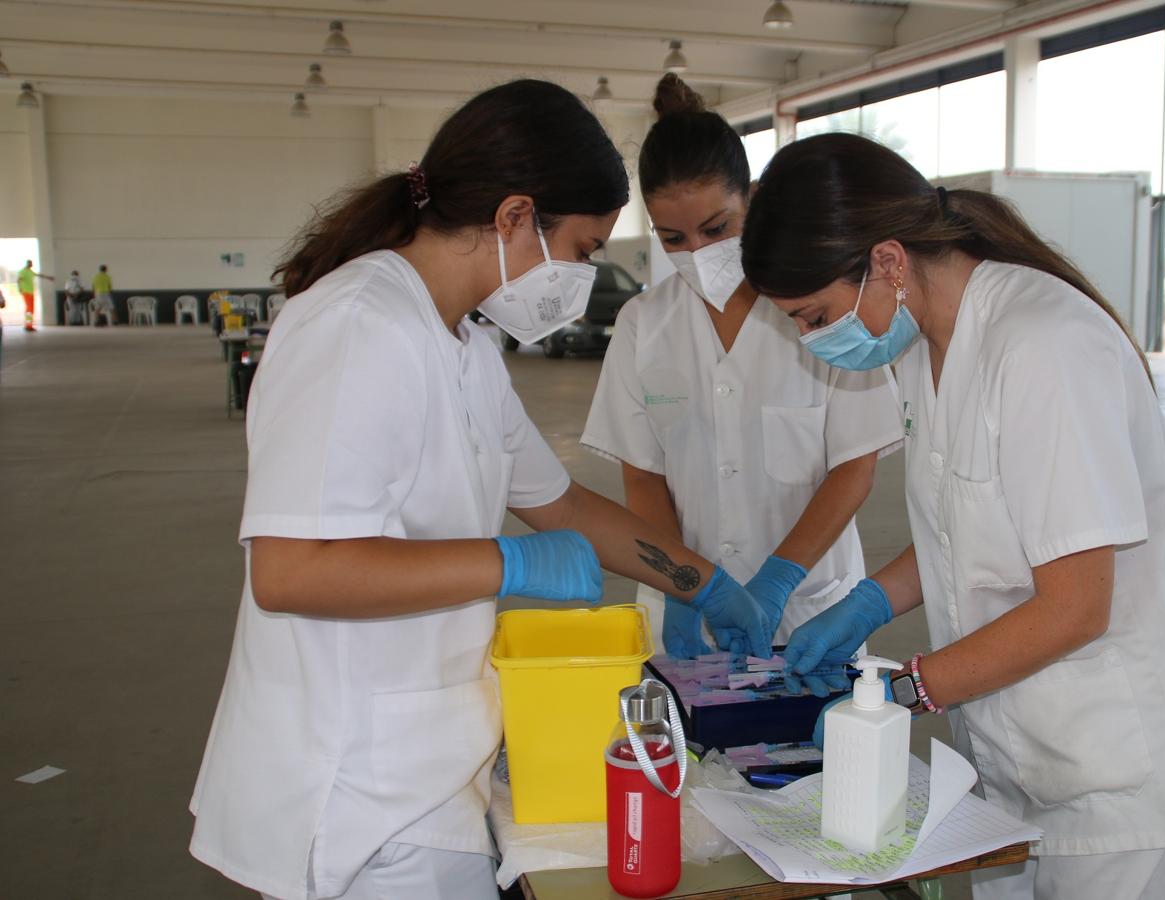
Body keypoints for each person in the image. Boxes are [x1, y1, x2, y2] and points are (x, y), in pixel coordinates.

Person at [188, 80, 772, 900]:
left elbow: (561, 506)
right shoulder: (358, 327)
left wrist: (701, 582)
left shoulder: (462, 345)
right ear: (512, 217)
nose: (580, 275)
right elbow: (290, 571)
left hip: (431, 762)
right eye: (582, 250)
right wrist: (506, 565)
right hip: (355, 785)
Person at [741, 134, 1165, 900]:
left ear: (887, 262)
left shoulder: (1045, 346)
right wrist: (868, 604)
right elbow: (970, 522)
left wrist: (899, 693)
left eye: (815, 317)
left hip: (1126, 763)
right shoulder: (919, 345)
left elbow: (1077, 606)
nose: (814, 343)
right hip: (1020, 749)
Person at [582, 76, 903, 660]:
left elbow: (854, 467)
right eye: (673, 238)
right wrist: (681, 586)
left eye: (716, 228)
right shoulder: (641, 325)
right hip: (686, 614)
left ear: (751, 200)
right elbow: (643, 475)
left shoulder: (821, 307)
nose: (698, 253)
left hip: (810, 606)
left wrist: (779, 577)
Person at [17, 259, 53, 331]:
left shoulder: (30, 271)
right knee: (29, 309)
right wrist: (20, 288)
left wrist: (48, 278)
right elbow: (19, 280)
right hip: (26, 292)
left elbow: (38, 275)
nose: (32, 265)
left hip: (31, 292)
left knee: (31, 309)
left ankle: (29, 325)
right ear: (28, 264)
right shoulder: (22, 271)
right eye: (31, 264)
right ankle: (28, 326)